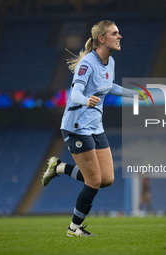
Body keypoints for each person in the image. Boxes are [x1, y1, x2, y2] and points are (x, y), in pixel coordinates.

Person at [42, 20, 145, 237]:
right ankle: (74, 229)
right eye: (115, 33)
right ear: (102, 38)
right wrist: (86, 99)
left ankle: (59, 168)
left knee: (107, 179)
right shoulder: (87, 64)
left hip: (95, 127)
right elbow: (75, 93)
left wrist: (133, 92)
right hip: (76, 127)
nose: (120, 36)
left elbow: (109, 86)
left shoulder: (111, 62)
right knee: (94, 181)